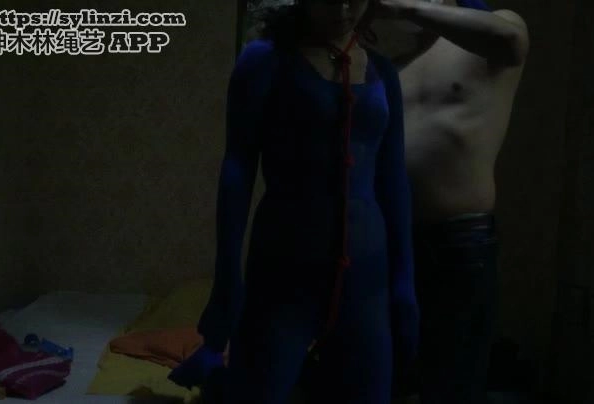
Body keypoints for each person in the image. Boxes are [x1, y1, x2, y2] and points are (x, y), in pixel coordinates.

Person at [167, 1, 417, 402]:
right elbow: (238, 169)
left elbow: (394, 180)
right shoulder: (265, 60)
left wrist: (404, 283)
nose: (342, 6)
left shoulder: (382, 71)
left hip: (368, 280)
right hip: (283, 275)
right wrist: (227, 280)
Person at [376, 1, 530, 403]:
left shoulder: (496, 27)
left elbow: (509, 39)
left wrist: (400, 7)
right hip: (391, 240)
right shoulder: (395, 57)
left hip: (459, 242)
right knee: (385, 379)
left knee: (452, 383)